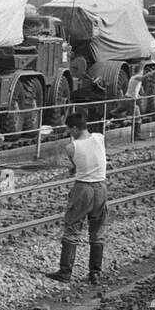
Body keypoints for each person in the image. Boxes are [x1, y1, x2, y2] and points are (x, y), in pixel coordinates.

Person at [47, 111, 107, 285]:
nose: (69, 133)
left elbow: (76, 165)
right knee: (97, 231)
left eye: (69, 129)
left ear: (74, 128)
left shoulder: (71, 147)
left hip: (83, 188)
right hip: (101, 187)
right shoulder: (100, 137)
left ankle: (65, 272)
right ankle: (95, 273)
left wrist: (76, 169)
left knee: (72, 228)